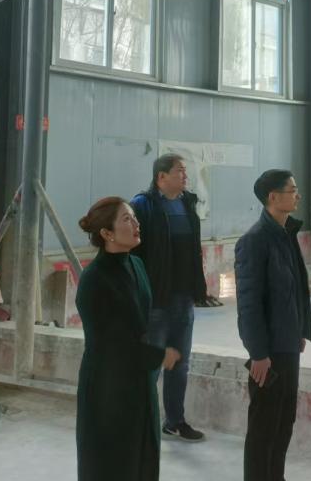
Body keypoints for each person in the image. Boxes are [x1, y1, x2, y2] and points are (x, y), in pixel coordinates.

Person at [75, 196, 181, 481]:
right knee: (112, 462)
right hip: (107, 386)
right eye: (126, 219)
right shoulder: (94, 279)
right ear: (106, 233)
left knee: (143, 456)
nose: (136, 224)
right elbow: (109, 344)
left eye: (134, 217)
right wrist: (158, 355)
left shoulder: (136, 265)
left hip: (139, 379)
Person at [130, 154, 218, 443]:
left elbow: (192, 251)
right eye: (180, 171)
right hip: (156, 299)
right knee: (151, 363)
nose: (185, 176)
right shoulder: (143, 206)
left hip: (183, 298)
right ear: (161, 177)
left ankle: (175, 421)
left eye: (185, 171)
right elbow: (133, 252)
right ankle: (139, 423)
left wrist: (198, 290)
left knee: (180, 363)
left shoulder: (187, 204)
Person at [235, 169, 311, 481]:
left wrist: (299, 330)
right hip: (267, 352)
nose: (297, 195)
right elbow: (249, 304)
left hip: (288, 345)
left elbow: (295, 290)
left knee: (283, 423)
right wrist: (258, 353)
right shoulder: (254, 241)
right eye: (292, 190)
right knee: (264, 428)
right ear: (273, 197)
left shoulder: (286, 234)